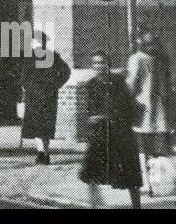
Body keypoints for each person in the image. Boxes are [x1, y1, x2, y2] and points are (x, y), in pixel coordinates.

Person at [79, 51, 142, 209]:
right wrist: (93, 118)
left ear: (108, 65)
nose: (98, 66)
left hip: (120, 132)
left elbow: (126, 107)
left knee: (129, 173)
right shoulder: (91, 84)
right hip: (100, 133)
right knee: (91, 173)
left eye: (102, 63)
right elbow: (90, 109)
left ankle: (137, 206)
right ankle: (94, 205)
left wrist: (105, 117)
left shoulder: (117, 82)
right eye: (95, 63)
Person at [127, 30, 176, 191]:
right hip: (161, 109)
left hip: (142, 109)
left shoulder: (137, 59)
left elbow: (132, 85)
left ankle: (147, 184)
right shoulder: (162, 59)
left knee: (141, 148)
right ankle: (156, 180)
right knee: (156, 149)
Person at [21, 31, 71, 165]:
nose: (33, 44)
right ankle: (43, 152)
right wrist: (28, 87)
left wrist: (55, 85)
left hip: (45, 96)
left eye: (35, 41)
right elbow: (23, 77)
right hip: (36, 97)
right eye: (33, 42)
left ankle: (44, 152)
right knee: (39, 125)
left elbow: (66, 71)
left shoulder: (52, 56)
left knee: (43, 126)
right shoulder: (30, 57)